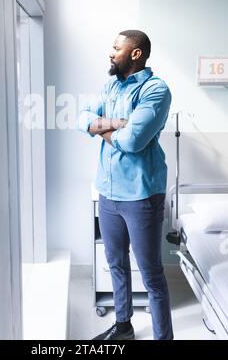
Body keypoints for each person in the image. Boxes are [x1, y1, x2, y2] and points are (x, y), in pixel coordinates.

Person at [78, 30, 174, 340]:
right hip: (107, 192)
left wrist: (103, 127)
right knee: (116, 263)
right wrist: (117, 124)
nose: (110, 52)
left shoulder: (155, 91)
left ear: (136, 54)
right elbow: (82, 119)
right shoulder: (110, 85)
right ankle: (123, 327)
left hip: (141, 196)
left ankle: (163, 337)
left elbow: (133, 141)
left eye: (117, 48)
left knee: (152, 275)